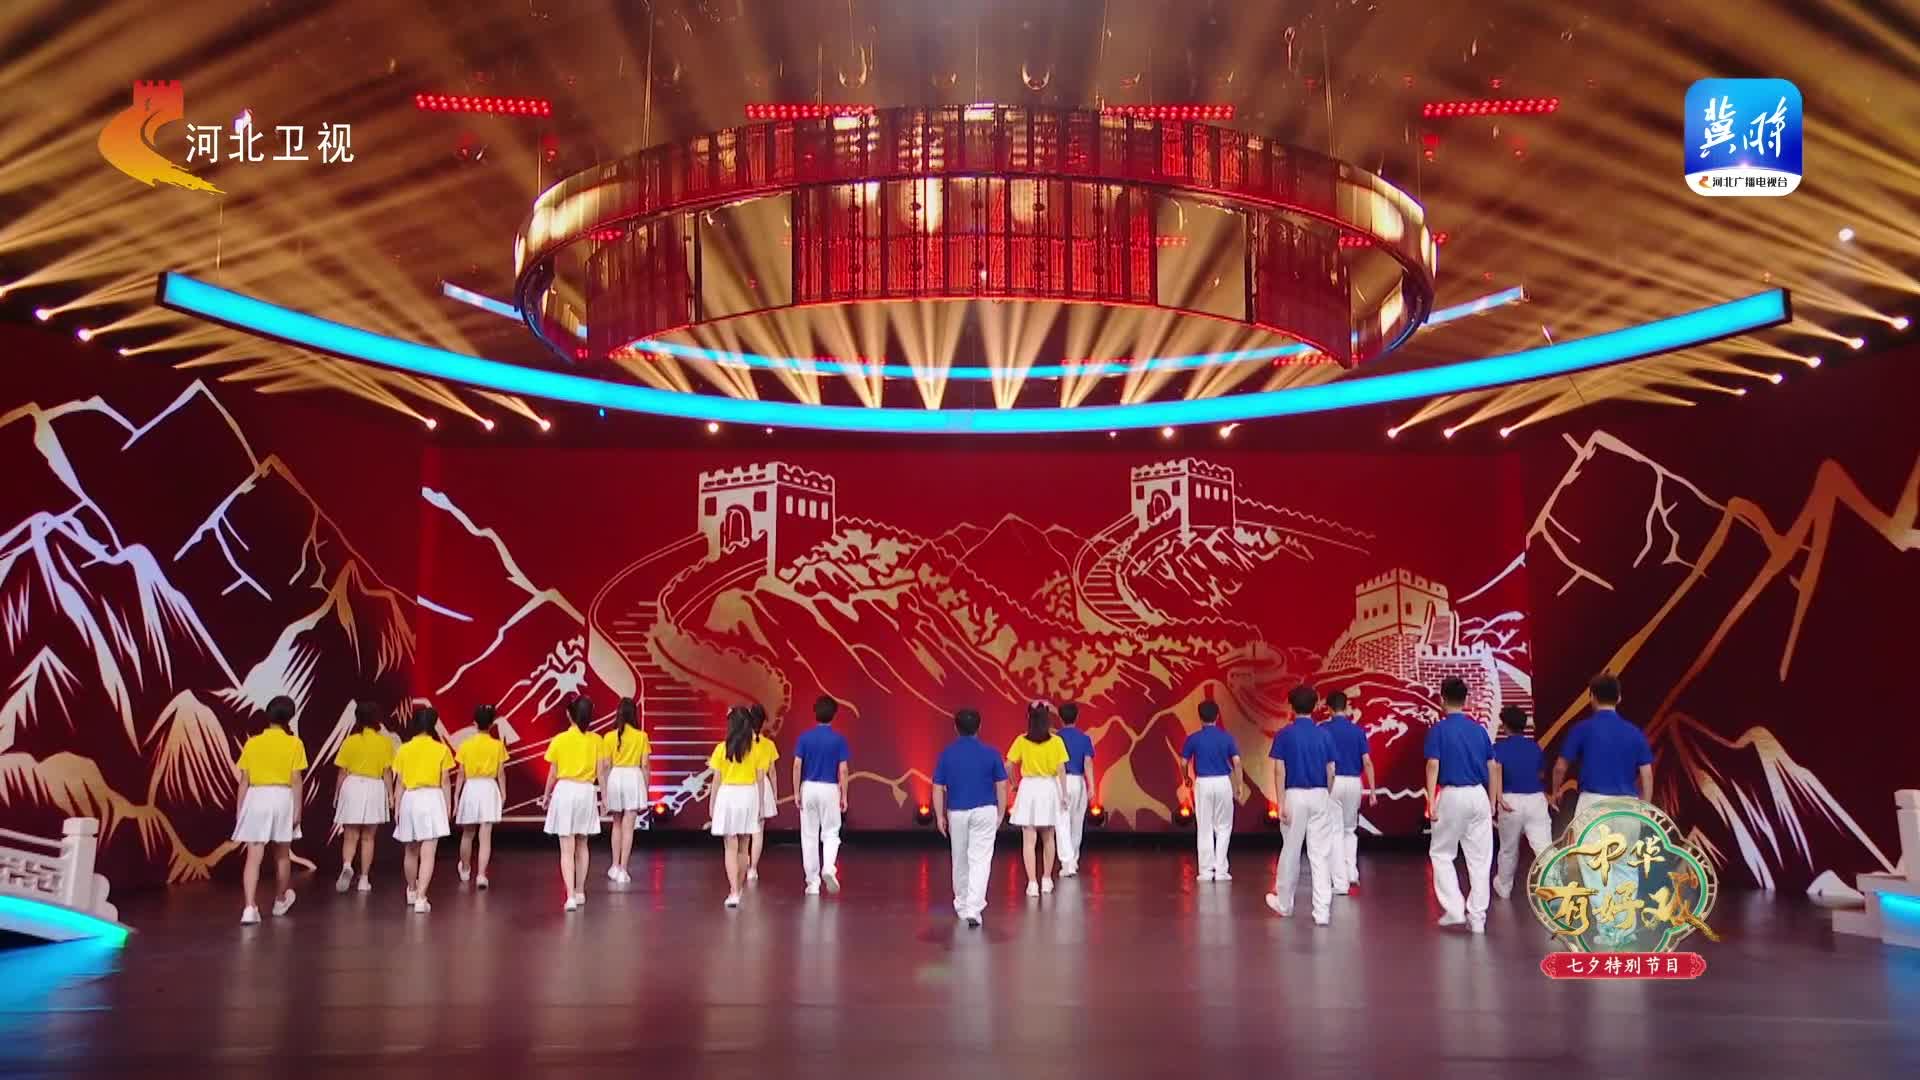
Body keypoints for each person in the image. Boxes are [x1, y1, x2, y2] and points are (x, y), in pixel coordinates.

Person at [1549, 672, 1655, 926]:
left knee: (1594, 864)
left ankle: (1607, 927)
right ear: (1619, 698)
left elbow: (1560, 767)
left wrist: (1555, 792)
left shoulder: (1582, 729)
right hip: (1628, 805)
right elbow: (1647, 774)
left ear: (1591, 697)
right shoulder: (1634, 732)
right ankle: (1625, 926)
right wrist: (1645, 806)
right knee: (1626, 864)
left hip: (1593, 804)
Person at [1424, 678, 1498, 933]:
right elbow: (1492, 766)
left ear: (1441, 699)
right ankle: (1477, 918)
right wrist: (1492, 801)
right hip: (1478, 795)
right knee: (1480, 860)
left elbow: (1433, 764)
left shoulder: (1439, 730)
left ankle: (1454, 908)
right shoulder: (1479, 730)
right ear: (1466, 699)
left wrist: (1431, 801)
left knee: (1442, 854)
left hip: (1452, 795)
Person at [1265, 685, 1337, 926]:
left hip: (1294, 795)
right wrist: (1326, 793)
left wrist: (1281, 802)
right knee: (1320, 855)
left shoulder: (1284, 735)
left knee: (1291, 850)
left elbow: (1279, 770)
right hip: (1319, 793)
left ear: (1291, 706)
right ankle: (1322, 912)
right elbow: (1331, 770)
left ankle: (1285, 904)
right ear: (1315, 706)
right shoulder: (1324, 735)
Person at [232, 695, 307, 925]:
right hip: (282, 798)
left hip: (256, 798)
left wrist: (240, 810)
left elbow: (244, 781)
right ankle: (280, 901)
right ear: (289, 717)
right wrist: (298, 811)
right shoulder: (294, 744)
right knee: (282, 854)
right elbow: (296, 780)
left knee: (253, 857)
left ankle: (249, 908)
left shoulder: (253, 743)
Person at [932, 707, 1010, 927]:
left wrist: (938, 816)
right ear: (979, 727)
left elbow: (937, 787)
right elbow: (1002, 785)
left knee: (959, 859)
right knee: (980, 859)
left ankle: (962, 905)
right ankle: (974, 908)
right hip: (985, 810)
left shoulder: (947, 754)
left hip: (956, 812)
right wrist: (1001, 812)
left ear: (955, 727)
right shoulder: (991, 753)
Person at [542, 696, 606, 912]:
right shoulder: (597, 740)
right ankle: (579, 891)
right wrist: (605, 798)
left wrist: (546, 795)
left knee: (566, 847)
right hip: (587, 792)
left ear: (569, 715)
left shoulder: (560, 740)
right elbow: (601, 773)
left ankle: (570, 896)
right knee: (582, 844)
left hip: (566, 791)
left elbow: (552, 773)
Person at [390, 705, 454, 915]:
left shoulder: (404, 749)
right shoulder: (441, 749)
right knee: (428, 853)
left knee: (410, 850)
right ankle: (421, 898)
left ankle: (411, 890)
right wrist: (448, 806)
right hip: (433, 799)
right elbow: (445, 781)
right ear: (433, 724)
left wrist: (397, 807)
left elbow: (399, 782)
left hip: (410, 799)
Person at [1006, 700, 1070, 897]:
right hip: (1049, 788)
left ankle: (1032, 883)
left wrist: (1014, 783)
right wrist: (1064, 793)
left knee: (1029, 839)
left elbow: (1008, 765)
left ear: (1029, 719)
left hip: (1028, 788)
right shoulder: (1057, 741)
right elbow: (1061, 769)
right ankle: (1046, 879)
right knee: (1049, 836)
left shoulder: (1021, 740)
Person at [791, 695, 850, 895]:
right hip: (830, 788)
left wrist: (796, 791)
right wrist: (844, 795)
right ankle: (829, 867)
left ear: (815, 713)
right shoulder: (839, 739)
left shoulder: (804, 738)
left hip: (808, 788)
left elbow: (797, 765)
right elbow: (843, 770)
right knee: (831, 832)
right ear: (834, 715)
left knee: (809, 835)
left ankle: (812, 883)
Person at [332, 699, 392, 894]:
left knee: (350, 835)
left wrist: (337, 794)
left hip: (352, 786)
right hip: (374, 787)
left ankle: (347, 865)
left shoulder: (350, 741)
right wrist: (391, 796)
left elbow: (342, 772)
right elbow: (387, 773)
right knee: (368, 837)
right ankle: (364, 879)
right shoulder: (384, 742)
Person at [1491, 705, 1550, 900]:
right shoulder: (1535, 747)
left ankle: (1504, 887)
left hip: (1510, 801)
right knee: (1544, 847)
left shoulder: (1498, 748)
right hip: (1536, 800)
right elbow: (1540, 774)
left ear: (1504, 726)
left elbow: (1495, 774)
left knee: (1508, 849)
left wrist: (1497, 799)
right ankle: (1554, 885)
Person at [1179, 699, 1242, 882]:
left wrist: (1186, 777)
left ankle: (1206, 871)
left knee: (1204, 826)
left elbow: (1183, 762)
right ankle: (1221, 871)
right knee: (1224, 826)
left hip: (1203, 783)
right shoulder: (1226, 737)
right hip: (1223, 782)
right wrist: (1239, 785)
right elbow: (1237, 762)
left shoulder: (1194, 738)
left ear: (1200, 717)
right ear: (1217, 716)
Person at [707, 705, 763, 908]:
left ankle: (733, 892)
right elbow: (759, 779)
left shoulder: (721, 749)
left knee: (730, 846)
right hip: (748, 796)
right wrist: (760, 805)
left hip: (728, 796)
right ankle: (738, 888)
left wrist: (712, 804)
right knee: (743, 845)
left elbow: (716, 779)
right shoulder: (755, 749)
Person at [1320, 691, 1375, 894]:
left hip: (1332, 782)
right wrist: (1373, 790)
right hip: (1354, 782)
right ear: (1346, 707)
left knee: (1334, 830)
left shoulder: (1323, 729)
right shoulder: (1358, 731)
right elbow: (1367, 762)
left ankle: (1339, 880)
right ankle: (1352, 872)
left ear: (1328, 708)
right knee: (1350, 830)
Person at [454, 704, 508, 889]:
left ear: (474, 723)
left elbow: (460, 774)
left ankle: (465, 869)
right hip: (489, 788)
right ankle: (481, 875)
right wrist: (503, 793)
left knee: (468, 834)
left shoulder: (465, 745)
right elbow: (501, 773)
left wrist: (456, 796)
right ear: (492, 724)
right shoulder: (497, 745)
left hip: (471, 788)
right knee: (485, 836)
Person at [603, 697, 651, 885]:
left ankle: (614, 866)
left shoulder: (609, 737)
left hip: (615, 777)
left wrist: (605, 789)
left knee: (616, 823)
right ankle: (623, 869)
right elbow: (645, 765)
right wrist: (645, 788)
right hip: (633, 777)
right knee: (628, 827)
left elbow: (606, 765)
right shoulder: (642, 736)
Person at [1055, 701, 1096, 878]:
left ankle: (1066, 863)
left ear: (1060, 718)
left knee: (1062, 823)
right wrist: (1092, 785)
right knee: (1077, 822)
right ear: (1077, 717)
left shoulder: (1055, 738)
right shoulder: (1084, 738)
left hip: (1060, 781)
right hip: (1078, 781)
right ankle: (1073, 860)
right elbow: (1088, 762)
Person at [747, 703, 778, 884]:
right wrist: (774, 794)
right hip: (763, 788)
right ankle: (752, 869)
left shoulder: (741, 743)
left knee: (743, 830)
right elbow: (772, 772)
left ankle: (744, 863)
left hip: (744, 786)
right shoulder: (768, 745)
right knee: (758, 832)